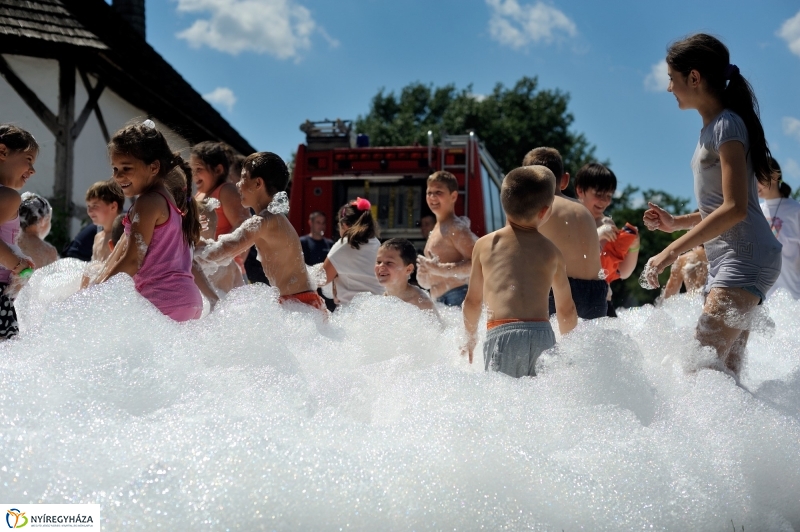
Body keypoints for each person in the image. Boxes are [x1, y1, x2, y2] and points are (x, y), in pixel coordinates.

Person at [642, 33, 782, 381]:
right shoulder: (713, 128)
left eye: (672, 79)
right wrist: (676, 222)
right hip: (740, 257)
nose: (668, 88)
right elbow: (725, 205)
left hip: (744, 257)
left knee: (697, 371)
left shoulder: (728, 125)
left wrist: (670, 252)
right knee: (723, 376)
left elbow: (735, 209)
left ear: (694, 77)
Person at [462, 166, 577, 377]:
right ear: (544, 211)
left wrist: (470, 338)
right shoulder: (551, 251)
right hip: (542, 336)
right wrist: (571, 348)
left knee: (504, 403)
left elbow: (473, 301)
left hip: (502, 334)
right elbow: (566, 309)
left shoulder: (486, 244)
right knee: (539, 403)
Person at [93, 120, 203, 322]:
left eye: (126, 168)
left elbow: (133, 259)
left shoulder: (148, 202)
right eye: (115, 169)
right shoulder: (166, 201)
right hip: (186, 299)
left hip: (162, 300)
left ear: (153, 167)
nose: (118, 176)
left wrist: (95, 297)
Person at [195, 152, 324, 311]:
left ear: (257, 183)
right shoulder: (275, 219)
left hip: (300, 303)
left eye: (243, 178)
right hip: (303, 302)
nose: (237, 184)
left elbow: (220, 252)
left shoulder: (263, 222)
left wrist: (188, 244)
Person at [523, 147, 608, 319]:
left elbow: (509, 250)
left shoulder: (536, 208)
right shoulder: (583, 210)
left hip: (560, 291)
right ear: (565, 180)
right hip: (597, 293)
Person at [575, 163, 640, 317]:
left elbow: (622, 272)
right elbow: (568, 254)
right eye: (599, 193)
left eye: (609, 195)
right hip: (572, 301)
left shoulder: (608, 224)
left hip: (604, 302)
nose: (604, 201)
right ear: (580, 191)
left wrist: (634, 246)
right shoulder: (570, 219)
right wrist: (597, 234)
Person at [191, 141, 249, 293]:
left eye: (199, 169)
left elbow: (245, 227)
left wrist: (220, 254)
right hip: (205, 267)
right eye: (192, 170)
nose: (194, 175)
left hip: (227, 270)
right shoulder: (199, 196)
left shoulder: (227, 190)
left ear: (218, 170)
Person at [417, 171, 478, 307]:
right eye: (429, 192)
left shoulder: (455, 228)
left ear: (453, 196)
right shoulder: (437, 228)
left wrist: (440, 269)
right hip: (441, 300)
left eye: (438, 192)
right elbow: (432, 275)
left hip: (457, 295)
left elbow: (478, 262)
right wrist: (423, 275)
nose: (432, 197)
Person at [0, 124, 38, 339]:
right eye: (29, 159)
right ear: (3, 152)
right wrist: (18, 264)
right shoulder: (8, 196)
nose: (33, 170)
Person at [319, 199, 384, 306]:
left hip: (351, 313)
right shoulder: (376, 243)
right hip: (377, 310)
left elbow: (321, 279)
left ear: (344, 225)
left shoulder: (344, 245)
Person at [757, 158, 800, 299]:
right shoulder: (755, 212)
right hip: (762, 303)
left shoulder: (796, 211)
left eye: (759, 177)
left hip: (793, 300)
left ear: (774, 176)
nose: (755, 184)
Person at [375, 238, 436, 312]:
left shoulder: (421, 304)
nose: (381, 266)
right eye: (378, 262)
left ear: (408, 269)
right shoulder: (377, 300)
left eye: (389, 263)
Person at [85, 180, 124, 262]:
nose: (89, 211)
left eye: (95, 205)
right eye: (88, 206)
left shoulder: (123, 237)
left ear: (113, 207)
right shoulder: (98, 237)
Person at [18, 192, 58, 268]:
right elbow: (53, 279)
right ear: (42, 220)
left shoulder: (8, 242)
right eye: (49, 220)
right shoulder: (49, 251)